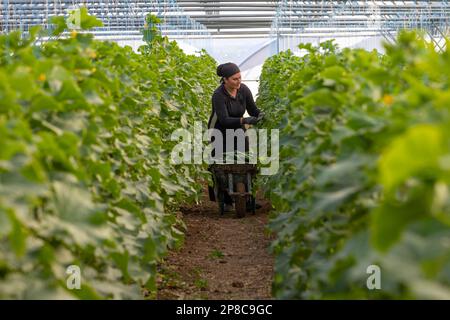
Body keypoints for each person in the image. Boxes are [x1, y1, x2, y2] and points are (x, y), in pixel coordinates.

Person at [207, 62, 264, 212]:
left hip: (238, 129)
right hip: (218, 129)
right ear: (225, 80)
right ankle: (225, 199)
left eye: (240, 77)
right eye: (234, 79)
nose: (239, 81)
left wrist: (260, 115)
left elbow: (252, 109)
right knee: (219, 164)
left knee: (244, 160)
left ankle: (246, 197)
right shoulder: (218, 95)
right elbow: (224, 120)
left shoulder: (243, 90)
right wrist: (244, 120)